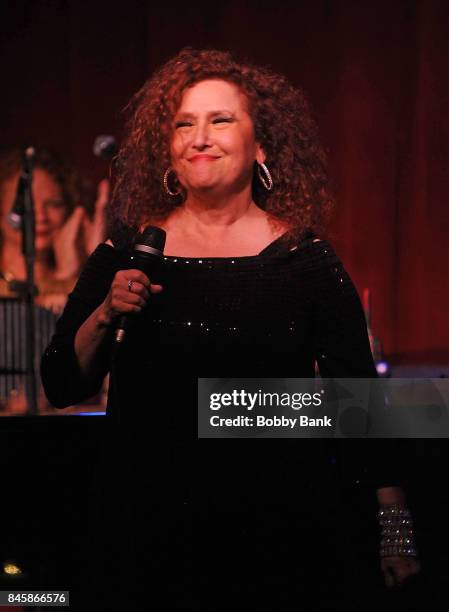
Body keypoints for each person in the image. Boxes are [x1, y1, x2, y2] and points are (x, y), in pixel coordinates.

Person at [40, 49, 420, 609]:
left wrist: (396, 533)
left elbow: (358, 406)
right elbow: (60, 384)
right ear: (166, 149)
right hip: (148, 531)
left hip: (279, 531)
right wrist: (105, 313)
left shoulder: (304, 258)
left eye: (220, 120)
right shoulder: (128, 252)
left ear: (260, 145)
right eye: (184, 123)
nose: (200, 136)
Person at [0, 148, 108, 412]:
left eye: (53, 204)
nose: (40, 216)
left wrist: (79, 272)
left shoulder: (77, 283)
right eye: (25, 202)